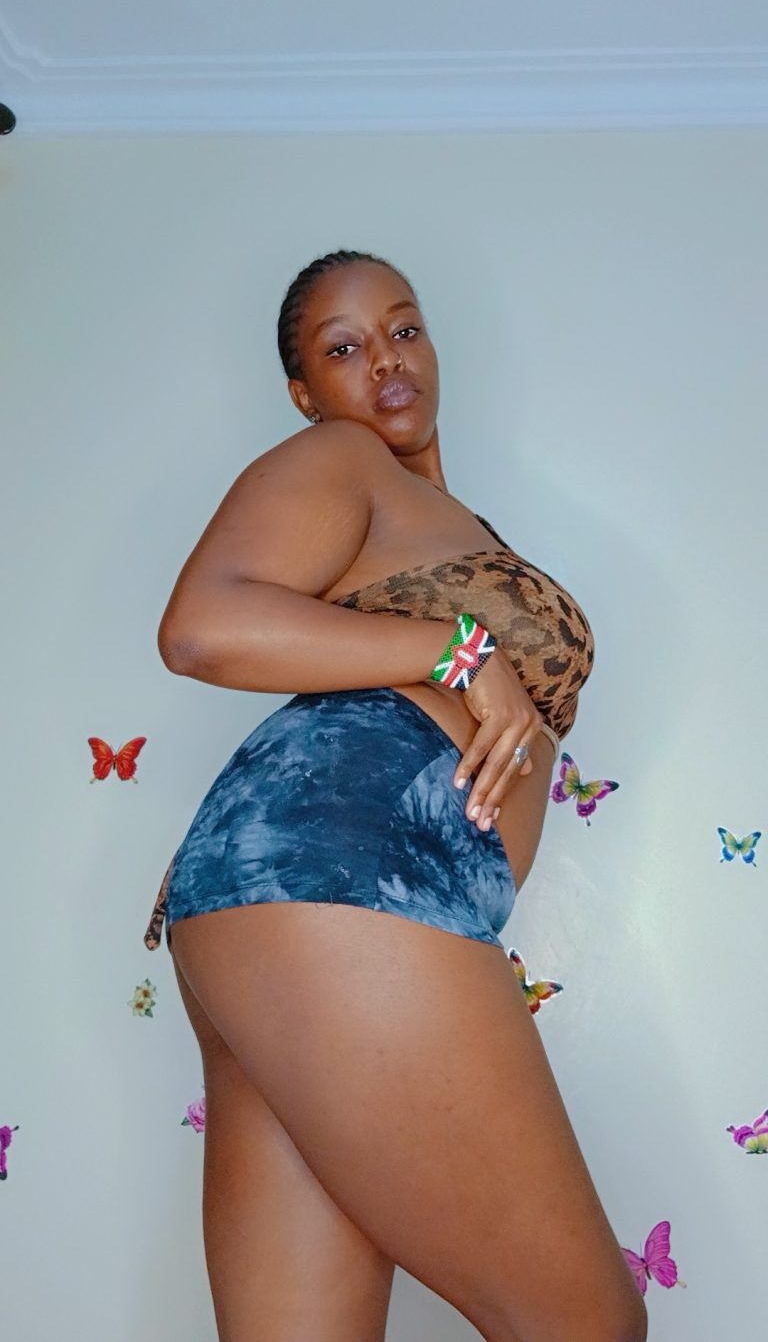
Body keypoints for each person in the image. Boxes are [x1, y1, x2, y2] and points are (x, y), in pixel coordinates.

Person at [144, 249, 647, 1342]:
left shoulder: (427, 514)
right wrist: (458, 649)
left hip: (269, 900)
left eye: (403, 329)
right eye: (344, 348)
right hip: (346, 879)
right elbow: (201, 626)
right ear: (304, 393)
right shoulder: (342, 458)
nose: (384, 361)